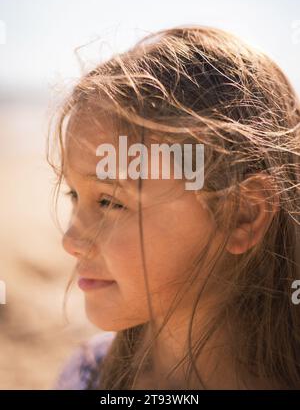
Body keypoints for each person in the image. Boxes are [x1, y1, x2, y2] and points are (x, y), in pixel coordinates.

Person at [48, 25, 300, 390]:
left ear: (242, 214)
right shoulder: (86, 375)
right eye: (75, 196)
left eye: (109, 201)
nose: (71, 241)